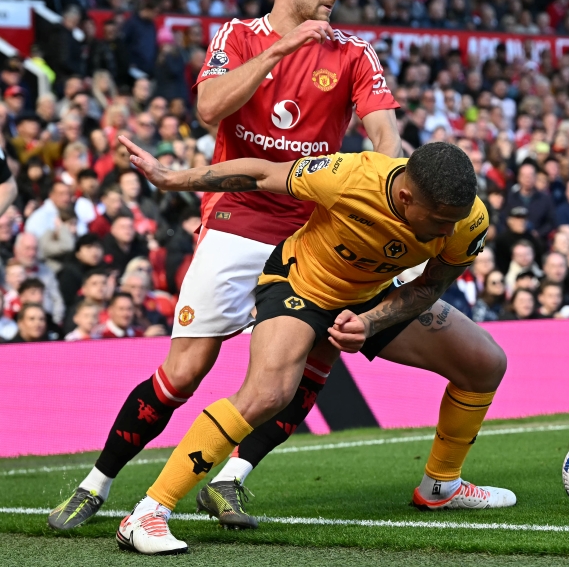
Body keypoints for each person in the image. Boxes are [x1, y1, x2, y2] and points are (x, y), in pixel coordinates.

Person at [49, 0, 404, 532]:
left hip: (312, 231)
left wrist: (386, 183)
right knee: (185, 371)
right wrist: (280, 52)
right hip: (239, 218)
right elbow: (210, 108)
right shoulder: (239, 38)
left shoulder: (353, 53)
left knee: (305, 365)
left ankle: (231, 480)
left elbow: (385, 140)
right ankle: (96, 483)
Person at [113, 140, 513, 554]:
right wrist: (171, 178)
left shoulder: (467, 220)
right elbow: (263, 173)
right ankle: (146, 513)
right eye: (439, 220)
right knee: (268, 393)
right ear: (406, 196)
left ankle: (441, 485)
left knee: (485, 363)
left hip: (369, 295)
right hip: (300, 285)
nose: (449, 231)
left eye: (456, 220)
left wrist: (369, 321)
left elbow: (429, 285)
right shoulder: (348, 176)